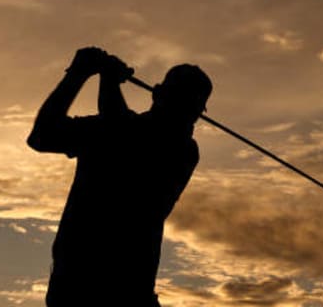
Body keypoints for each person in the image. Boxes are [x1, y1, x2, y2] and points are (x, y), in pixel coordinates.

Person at [27, 46, 211, 307]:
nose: (190, 120)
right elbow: (41, 136)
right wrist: (77, 76)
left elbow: (122, 135)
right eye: (186, 107)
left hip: (125, 293)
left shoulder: (182, 150)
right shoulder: (108, 128)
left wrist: (104, 77)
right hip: (76, 289)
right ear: (158, 93)